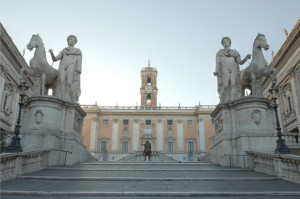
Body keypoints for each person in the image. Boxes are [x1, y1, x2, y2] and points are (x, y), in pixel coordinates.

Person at [214, 37, 251, 102]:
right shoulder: (219, 53)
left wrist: (246, 58)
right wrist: (217, 71)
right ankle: (222, 99)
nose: (225, 42)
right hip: (224, 68)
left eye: (227, 41)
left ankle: (233, 101)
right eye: (224, 42)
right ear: (222, 44)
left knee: (233, 85)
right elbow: (218, 63)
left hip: (233, 68)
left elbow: (240, 62)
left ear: (230, 43)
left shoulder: (235, 52)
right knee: (225, 85)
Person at [49, 35, 82, 102]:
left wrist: (78, 70)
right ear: (68, 41)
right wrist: (51, 53)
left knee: (70, 82)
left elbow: (79, 61)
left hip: (71, 65)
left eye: (74, 40)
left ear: (75, 42)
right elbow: (55, 59)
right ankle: (62, 99)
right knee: (61, 81)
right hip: (63, 66)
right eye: (71, 39)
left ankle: (73, 99)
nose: (72, 41)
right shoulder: (63, 51)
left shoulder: (77, 51)